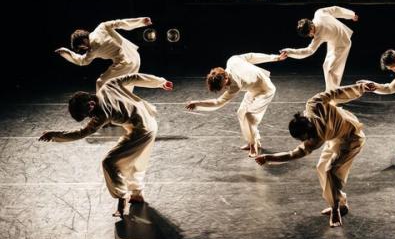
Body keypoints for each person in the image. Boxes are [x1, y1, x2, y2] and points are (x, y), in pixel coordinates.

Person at [38, 73, 173, 217]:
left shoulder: (102, 113)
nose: (90, 117)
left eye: (88, 114)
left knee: (109, 162)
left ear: (91, 104)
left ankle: (122, 197)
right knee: (129, 160)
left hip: (142, 130)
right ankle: (137, 194)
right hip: (147, 120)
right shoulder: (109, 85)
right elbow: (134, 77)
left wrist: (55, 134)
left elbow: (81, 133)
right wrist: (160, 82)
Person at [255, 83, 375, 227]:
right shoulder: (313, 130)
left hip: (351, 140)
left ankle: (336, 209)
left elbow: (337, 92)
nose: (303, 141)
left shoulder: (315, 111)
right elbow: (294, 154)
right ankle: (339, 202)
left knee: (331, 171)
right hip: (336, 138)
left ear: (308, 129)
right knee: (321, 167)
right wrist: (269, 158)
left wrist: (360, 87)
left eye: (303, 138)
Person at [185, 52, 287, 157]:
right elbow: (251, 57)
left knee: (249, 116)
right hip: (253, 89)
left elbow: (218, 102)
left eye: (224, 86)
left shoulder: (235, 85)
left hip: (266, 91)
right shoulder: (232, 60)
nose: (225, 88)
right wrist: (197, 103)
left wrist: (275, 58)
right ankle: (251, 141)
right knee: (240, 113)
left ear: (225, 78)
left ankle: (254, 144)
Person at [55, 17, 152, 92]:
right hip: (135, 56)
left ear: (85, 40)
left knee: (101, 83)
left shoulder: (92, 49)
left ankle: (100, 112)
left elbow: (82, 61)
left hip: (125, 63)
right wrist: (141, 21)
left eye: (82, 47)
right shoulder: (101, 27)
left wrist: (65, 52)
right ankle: (125, 113)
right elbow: (120, 23)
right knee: (125, 90)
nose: (85, 49)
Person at [281, 6, 358, 91]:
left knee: (331, 70)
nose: (311, 36)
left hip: (342, 44)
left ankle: (333, 93)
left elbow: (309, 51)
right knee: (326, 66)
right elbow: (336, 9)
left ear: (311, 27)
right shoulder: (319, 13)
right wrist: (351, 15)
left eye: (310, 34)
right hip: (335, 40)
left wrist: (289, 52)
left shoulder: (318, 34)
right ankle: (330, 91)